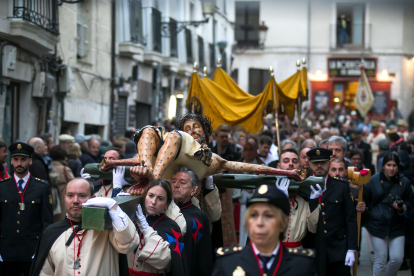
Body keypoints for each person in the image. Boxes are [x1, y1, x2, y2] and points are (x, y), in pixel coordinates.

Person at [29, 178, 139, 276]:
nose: (75, 201)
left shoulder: (108, 229)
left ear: (93, 198)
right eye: (70, 195)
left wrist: (114, 208)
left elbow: (128, 245)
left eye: (82, 196)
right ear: (65, 199)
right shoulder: (51, 233)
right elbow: (45, 272)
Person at [212, 184, 315, 276]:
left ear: (283, 223)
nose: (260, 223)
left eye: (269, 216)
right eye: (253, 215)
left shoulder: (302, 265)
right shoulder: (227, 263)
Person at [0, 142, 53, 276]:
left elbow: (46, 221)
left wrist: (42, 250)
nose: (19, 163)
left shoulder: (42, 187)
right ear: (11, 161)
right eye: (16, 159)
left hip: (32, 250)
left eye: (23, 159)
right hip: (7, 250)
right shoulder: (2, 187)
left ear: (30, 161)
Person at [357, 153, 414, 276]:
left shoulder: (404, 182)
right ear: (383, 166)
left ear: (398, 167)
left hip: (397, 225)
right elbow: (366, 199)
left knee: (397, 259)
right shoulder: (373, 180)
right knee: (380, 259)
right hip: (377, 223)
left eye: (394, 165)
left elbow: (411, 201)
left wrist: (402, 207)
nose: (392, 168)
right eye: (389, 165)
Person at [306, 148, 358, 276]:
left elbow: (350, 219)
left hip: (337, 247)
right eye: (316, 162)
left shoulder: (341, 186)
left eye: (323, 162)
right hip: (312, 247)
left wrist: (352, 248)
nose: (319, 166)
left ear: (329, 162)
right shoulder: (303, 187)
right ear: (310, 163)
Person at [128, 179, 187, 276]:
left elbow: (165, 260)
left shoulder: (171, 226)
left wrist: (146, 228)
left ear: (166, 204)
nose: (153, 201)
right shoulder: (133, 219)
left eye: (160, 198)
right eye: (151, 196)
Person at [276, 149, 321, 249]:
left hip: (297, 253)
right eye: (286, 161)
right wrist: (280, 200)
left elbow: (313, 229)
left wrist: (313, 201)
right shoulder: (269, 192)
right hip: (274, 251)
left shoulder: (305, 194)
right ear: (279, 166)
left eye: (295, 161)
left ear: (300, 167)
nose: (291, 164)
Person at [172, 167, 213, 276]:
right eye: (174, 181)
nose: (176, 185)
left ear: (194, 190)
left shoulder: (200, 216)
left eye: (182, 182)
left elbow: (204, 256)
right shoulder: (162, 210)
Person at [50, 145, 75, 222]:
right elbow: (74, 183)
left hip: (51, 197)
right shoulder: (65, 169)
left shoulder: (48, 167)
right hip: (62, 199)